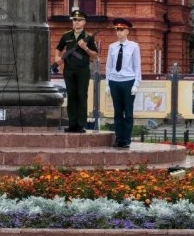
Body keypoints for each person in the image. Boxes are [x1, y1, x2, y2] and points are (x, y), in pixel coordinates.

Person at [55, 9, 98, 133]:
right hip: (69, 70)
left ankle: (81, 125)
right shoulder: (66, 35)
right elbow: (58, 49)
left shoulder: (88, 37)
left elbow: (95, 55)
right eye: (74, 20)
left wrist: (86, 48)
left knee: (81, 96)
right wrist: (57, 58)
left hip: (82, 71)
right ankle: (72, 124)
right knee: (72, 96)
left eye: (79, 20)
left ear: (84, 22)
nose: (76, 22)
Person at [105, 18, 141, 149]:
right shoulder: (112, 47)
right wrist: (107, 84)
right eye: (117, 30)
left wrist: (136, 84)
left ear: (127, 31)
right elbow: (109, 67)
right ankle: (119, 138)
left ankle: (126, 139)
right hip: (115, 81)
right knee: (118, 112)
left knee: (128, 111)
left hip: (128, 81)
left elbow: (137, 66)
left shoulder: (134, 46)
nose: (118, 33)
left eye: (121, 30)